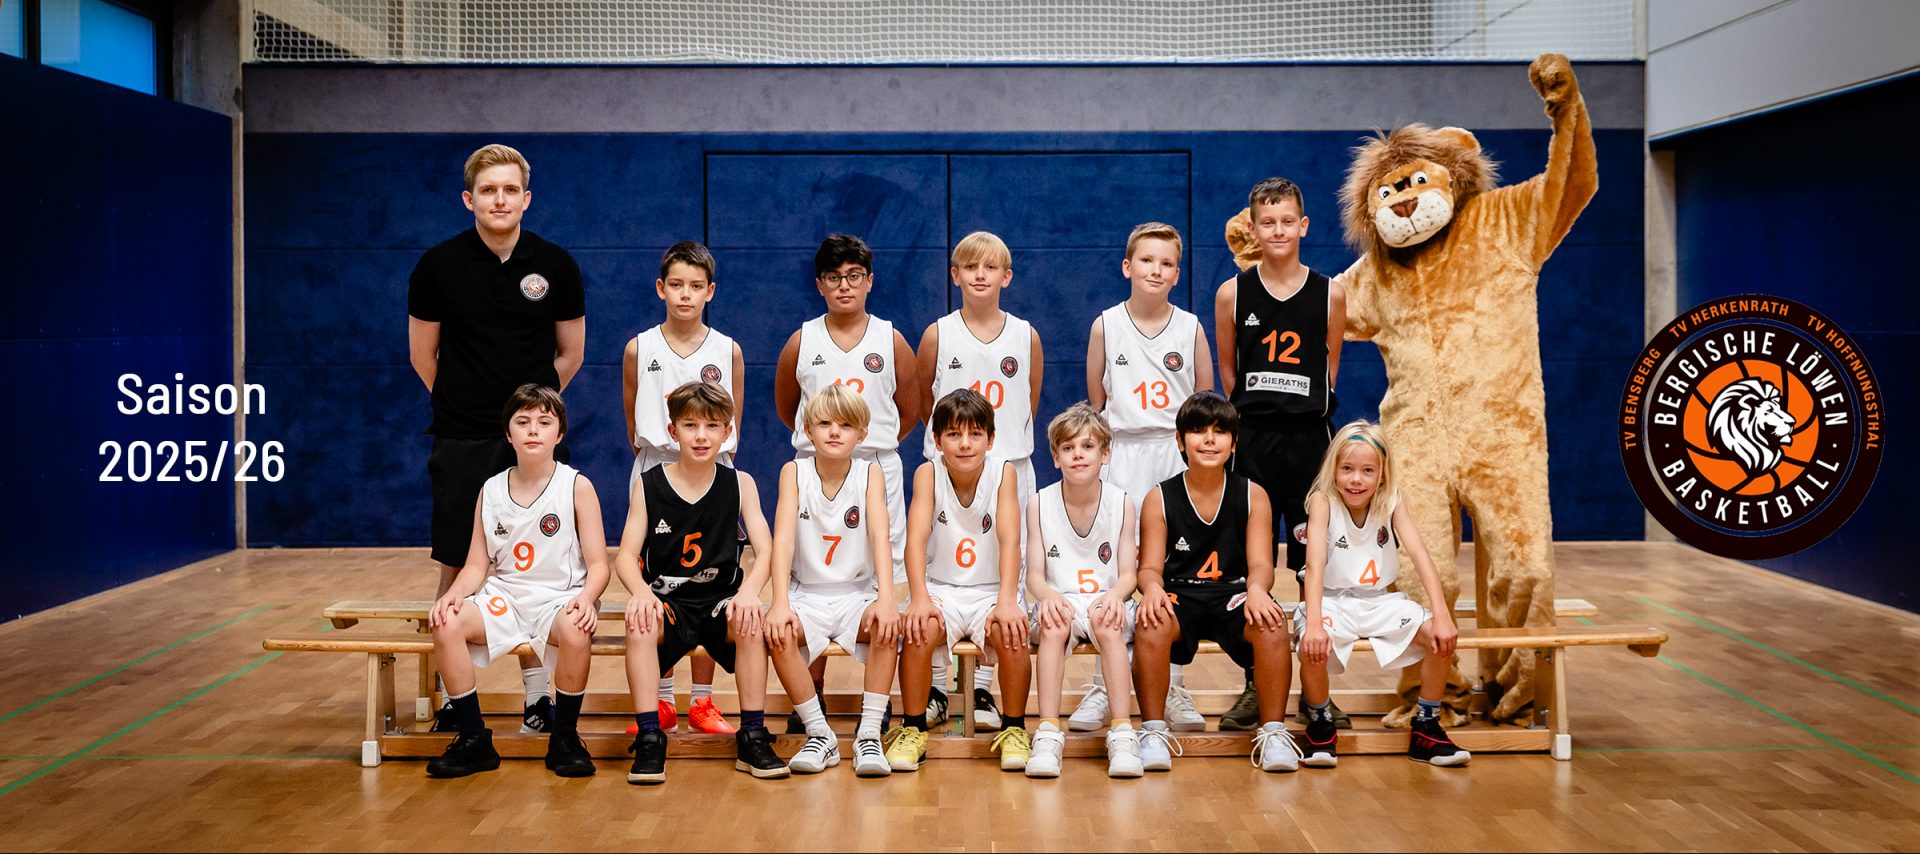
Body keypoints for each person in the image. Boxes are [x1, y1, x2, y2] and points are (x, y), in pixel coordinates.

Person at [408, 143, 585, 735]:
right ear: (469, 199)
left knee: (540, 572)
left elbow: (570, 354)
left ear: (526, 198)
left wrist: (526, 418)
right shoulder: (436, 266)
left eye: (510, 190)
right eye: (488, 190)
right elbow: (424, 357)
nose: (500, 199)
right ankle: (453, 704)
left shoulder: (556, 265)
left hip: (533, 443)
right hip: (461, 439)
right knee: (457, 562)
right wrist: (471, 405)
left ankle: (538, 698)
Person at [1212, 177, 1348, 731]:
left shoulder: (1330, 292)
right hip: (1254, 444)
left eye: (1287, 221)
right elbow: (1229, 372)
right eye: (1267, 222)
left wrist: (1300, 405)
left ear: (1303, 226)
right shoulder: (1232, 293)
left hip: (1310, 444)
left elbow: (1329, 367)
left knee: (1318, 567)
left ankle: (1318, 692)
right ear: (1252, 228)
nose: (1278, 231)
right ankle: (1256, 683)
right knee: (1254, 570)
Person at [772, 233, 918, 732]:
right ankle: (808, 696)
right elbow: (787, 406)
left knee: (882, 577)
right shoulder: (802, 340)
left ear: (870, 281)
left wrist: (864, 445)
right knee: (810, 577)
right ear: (820, 284)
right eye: (834, 278)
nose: (844, 286)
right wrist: (827, 444)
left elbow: (911, 407)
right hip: (816, 466)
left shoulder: (891, 339)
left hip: (875, 464)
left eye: (854, 276)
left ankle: (878, 700)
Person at [425, 385, 606, 779]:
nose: (533, 430)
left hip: (559, 599)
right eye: (522, 422)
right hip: (505, 598)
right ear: (508, 434)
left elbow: (599, 565)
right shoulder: (491, 489)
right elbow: (476, 565)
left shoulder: (576, 486)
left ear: (560, 433)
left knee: (577, 628)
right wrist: (454, 595)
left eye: (544, 422)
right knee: (446, 621)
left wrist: (588, 598)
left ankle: (564, 739)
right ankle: (474, 739)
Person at [1078, 220, 1214, 733]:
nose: (1156, 270)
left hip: (1173, 456)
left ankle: (1172, 685)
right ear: (1127, 267)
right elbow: (1097, 401)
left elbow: (1202, 402)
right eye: (1147, 260)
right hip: (1121, 452)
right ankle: (1101, 684)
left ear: (1177, 273)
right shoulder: (1105, 325)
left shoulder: (1191, 327)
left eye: (1167, 263)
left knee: (1172, 571)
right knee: (1111, 568)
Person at [614, 382, 785, 784]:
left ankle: (753, 735)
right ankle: (651, 737)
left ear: (728, 432)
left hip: (719, 600)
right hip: (668, 601)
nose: (701, 436)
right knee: (639, 622)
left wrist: (749, 592)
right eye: (690, 425)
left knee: (751, 620)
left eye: (711, 426)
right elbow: (624, 556)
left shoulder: (740, 483)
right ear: (673, 431)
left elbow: (767, 549)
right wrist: (641, 592)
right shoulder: (649, 484)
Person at [1132, 393, 1301, 773]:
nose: (1209, 440)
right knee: (1151, 621)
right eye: (1198, 431)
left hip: (1233, 593)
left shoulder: (1253, 495)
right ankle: (1154, 732)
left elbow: (1262, 565)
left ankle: (1273, 733)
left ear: (1234, 443)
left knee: (1273, 623)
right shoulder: (1159, 497)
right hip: (1180, 593)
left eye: (1220, 432)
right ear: (1180, 440)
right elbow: (1149, 569)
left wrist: (1257, 590)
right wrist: (1153, 589)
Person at [916, 231, 1042, 731]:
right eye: (971, 267)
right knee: (940, 571)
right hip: (950, 469)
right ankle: (937, 687)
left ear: (1006, 277)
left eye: (991, 267)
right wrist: (955, 448)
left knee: (1006, 574)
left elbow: (1028, 403)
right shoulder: (937, 335)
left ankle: (984, 691)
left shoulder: (1026, 335)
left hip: (1008, 466)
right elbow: (925, 405)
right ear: (956, 276)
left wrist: (998, 450)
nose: (981, 275)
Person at [1296, 421, 1469, 767]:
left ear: (1383, 475)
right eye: (1347, 469)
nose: (1356, 479)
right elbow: (1313, 566)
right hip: (1331, 600)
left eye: (1367, 471)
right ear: (1333, 469)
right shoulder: (1322, 501)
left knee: (1439, 638)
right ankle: (1320, 723)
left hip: (1379, 601)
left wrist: (1442, 614)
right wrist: (1313, 623)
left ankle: (1426, 725)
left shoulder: (1391, 500)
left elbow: (1420, 555)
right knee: (1310, 646)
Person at [622, 241, 743, 735]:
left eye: (696, 286)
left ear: (710, 291)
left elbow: (734, 418)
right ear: (661, 288)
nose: (685, 294)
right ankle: (663, 700)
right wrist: (658, 461)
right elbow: (632, 416)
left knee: (709, 577)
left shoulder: (727, 349)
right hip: (658, 465)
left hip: (712, 469)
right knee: (659, 581)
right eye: (676, 285)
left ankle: (702, 701)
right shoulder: (639, 348)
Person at [889, 389, 1031, 772]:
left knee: (1012, 631)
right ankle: (913, 728)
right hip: (942, 587)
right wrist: (919, 597)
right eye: (953, 434)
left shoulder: (1004, 472)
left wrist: (1008, 599)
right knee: (918, 629)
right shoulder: (927, 473)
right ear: (937, 441)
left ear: (991, 439)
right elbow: (915, 541)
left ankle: (1014, 728)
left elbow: (1010, 541)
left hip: (990, 589)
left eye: (975, 434)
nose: (965, 443)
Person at [765, 384, 903, 777]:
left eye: (845, 425)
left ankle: (869, 733)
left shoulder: (870, 473)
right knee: (777, 630)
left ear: (862, 433)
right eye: (825, 423)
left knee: (886, 625)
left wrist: (887, 598)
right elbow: (783, 540)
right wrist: (779, 602)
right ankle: (819, 732)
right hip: (806, 593)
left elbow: (880, 536)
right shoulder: (793, 472)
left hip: (856, 593)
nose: (834, 432)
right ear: (808, 430)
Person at [1022, 404, 1142, 778]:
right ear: (1055, 458)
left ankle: (1122, 731)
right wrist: (1047, 597)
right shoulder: (1038, 503)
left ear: (1105, 455)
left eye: (1087, 446)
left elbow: (1129, 574)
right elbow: (1034, 576)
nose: (1078, 455)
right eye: (1068, 448)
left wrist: (1116, 595)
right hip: (1061, 598)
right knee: (1054, 624)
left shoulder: (1122, 503)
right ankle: (1047, 731)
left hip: (1107, 597)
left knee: (1107, 622)